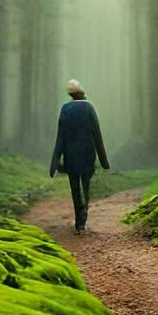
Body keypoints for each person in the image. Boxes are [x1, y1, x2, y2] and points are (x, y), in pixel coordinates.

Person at [50, 79, 110, 233]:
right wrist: (104, 161)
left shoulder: (65, 109)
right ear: (82, 94)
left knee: (75, 188)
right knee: (86, 185)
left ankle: (79, 221)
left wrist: (55, 161)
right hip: (87, 155)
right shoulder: (89, 108)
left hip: (71, 156)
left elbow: (60, 137)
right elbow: (97, 135)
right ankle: (83, 218)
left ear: (71, 95)